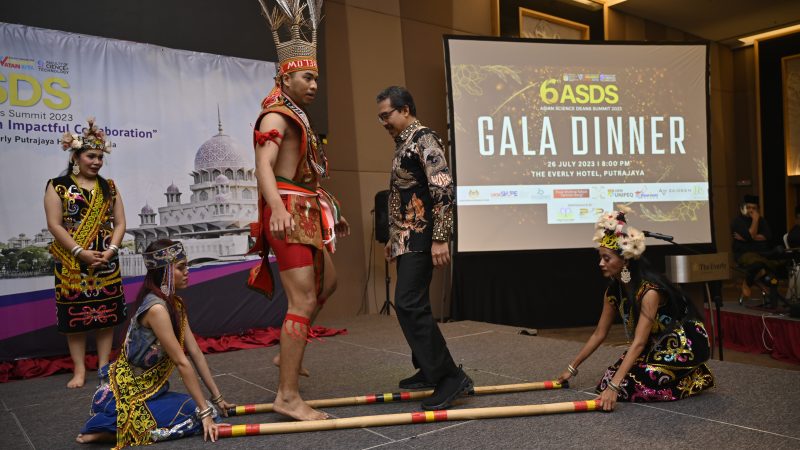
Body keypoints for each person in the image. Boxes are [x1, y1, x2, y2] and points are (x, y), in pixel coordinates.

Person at [249, 0, 349, 421]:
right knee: (302, 300)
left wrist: (329, 211)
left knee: (328, 284)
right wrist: (276, 207)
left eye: (316, 77)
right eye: (307, 77)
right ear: (285, 77)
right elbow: (263, 166)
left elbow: (305, 174)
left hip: (303, 207)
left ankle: (288, 351)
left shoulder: (295, 114)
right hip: (288, 210)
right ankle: (287, 396)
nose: (314, 84)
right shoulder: (276, 114)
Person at [76, 240, 235, 446]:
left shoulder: (175, 304)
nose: (187, 271)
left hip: (151, 390)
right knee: (202, 414)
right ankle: (110, 431)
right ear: (165, 271)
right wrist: (205, 413)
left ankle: (123, 428)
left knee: (207, 409)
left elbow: (195, 352)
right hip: (127, 394)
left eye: (186, 266)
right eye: (181, 267)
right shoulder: (156, 309)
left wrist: (217, 397)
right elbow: (182, 362)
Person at [557, 208, 715, 411]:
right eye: (601, 257)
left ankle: (695, 374)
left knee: (629, 385)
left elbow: (639, 342)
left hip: (683, 342)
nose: (601, 263)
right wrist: (572, 367)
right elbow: (599, 334)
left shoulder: (649, 292)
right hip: (654, 343)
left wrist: (614, 387)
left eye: (607, 258)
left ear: (625, 260)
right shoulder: (613, 292)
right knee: (606, 381)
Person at [376, 86, 472, 410]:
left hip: (423, 236)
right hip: (407, 237)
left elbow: (442, 189)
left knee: (407, 303)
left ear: (405, 109)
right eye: (380, 118)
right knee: (411, 303)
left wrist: (441, 238)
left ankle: (449, 377)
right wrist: (393, 239)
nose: (383, 123)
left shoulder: (425, 139)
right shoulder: (403, 143)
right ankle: (429, 369)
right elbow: (401, 197)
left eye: (386, 115)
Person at [43, 117, 127, 389]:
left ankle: (103, 367)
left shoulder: (109, 187)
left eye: (100, 157)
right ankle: (79, 369)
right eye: (91, 156)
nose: (97, 162)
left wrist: (111, 250)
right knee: (75, 317)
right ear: (75, 157)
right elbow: (54, 224)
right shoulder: (58, 185)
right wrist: (80, 251)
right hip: (72, 262)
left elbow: (120, 223)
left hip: (105, 260)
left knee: (106, 316)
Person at [731, 194, 784, 298]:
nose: (751, 210)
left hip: (762, 251)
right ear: (744, 208)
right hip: (744, 253)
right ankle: (747, 282)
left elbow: (767, 236)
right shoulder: (737, 221)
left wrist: (747, 238)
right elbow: (751, 235)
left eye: (754, 208)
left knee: (778, 261)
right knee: (758, 263)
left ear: (758, 209)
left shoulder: (762, 221)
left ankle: (758, 281)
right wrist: (755, 220)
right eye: (748, 208)